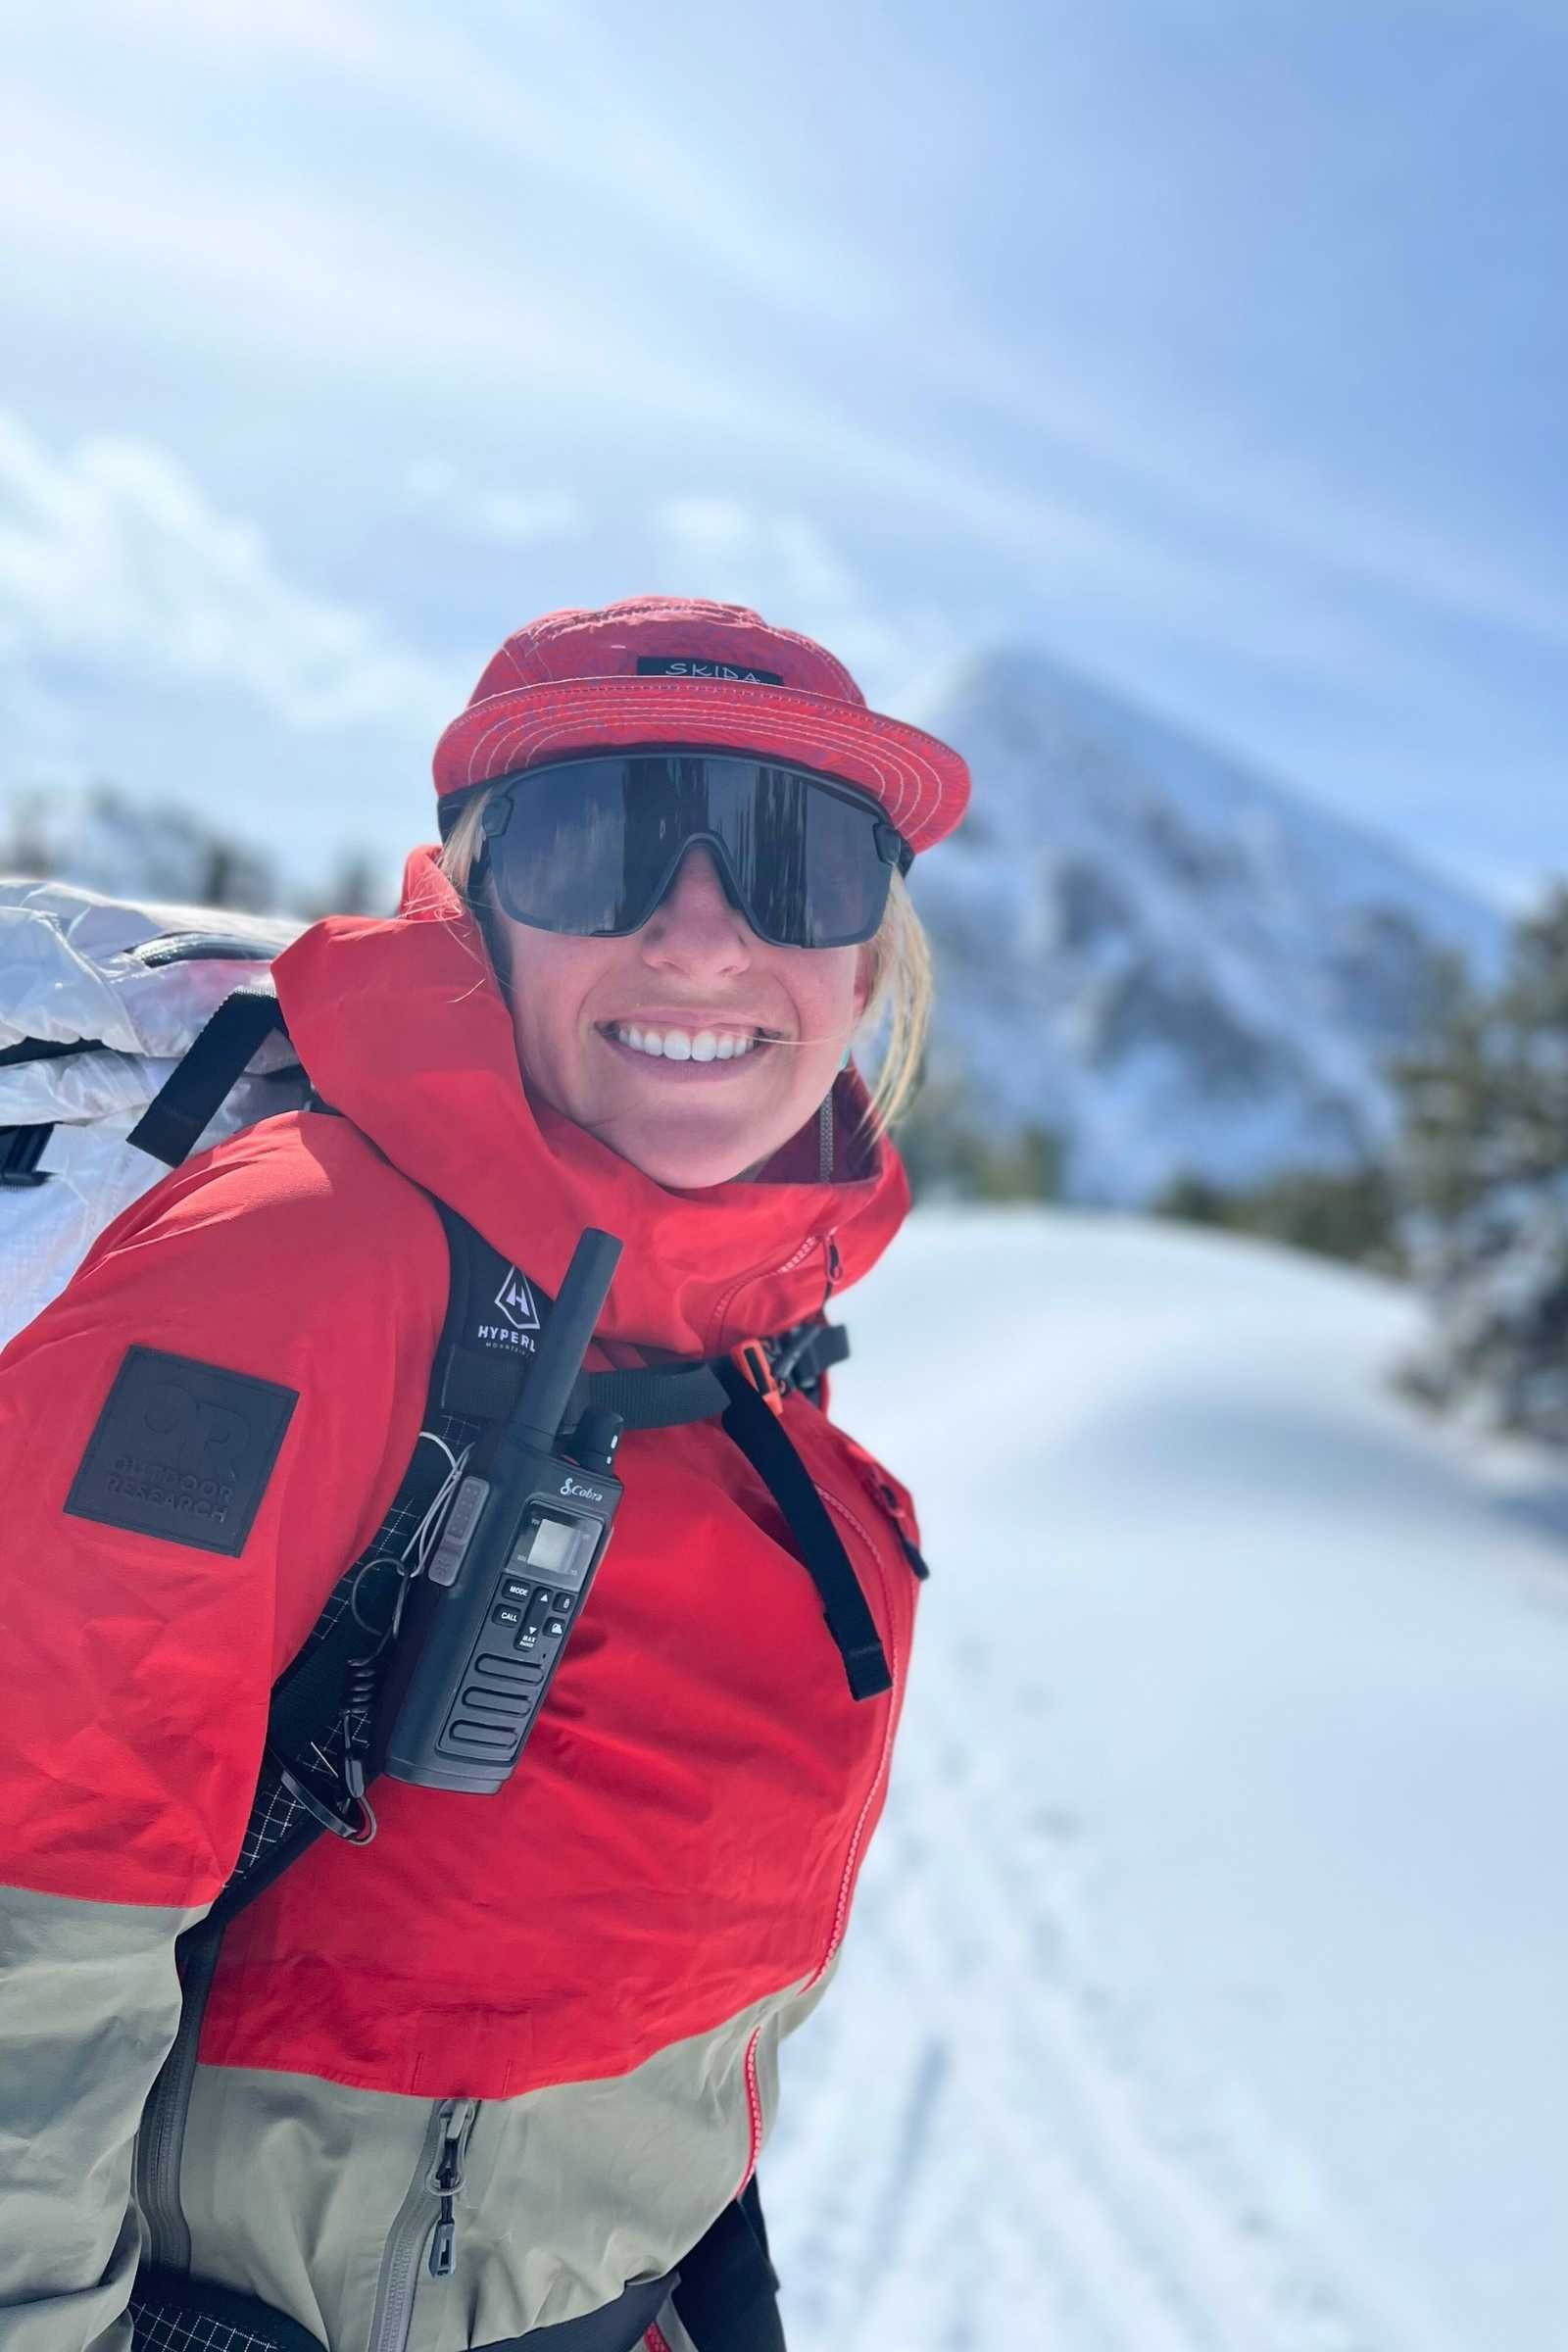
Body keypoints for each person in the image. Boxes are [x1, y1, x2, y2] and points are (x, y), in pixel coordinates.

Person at [0, 595, 970, 2352]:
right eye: (600, 843)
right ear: (475, 902)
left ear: (870, 957)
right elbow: (22, 1918)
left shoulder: (744, 1337)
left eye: (796, 863)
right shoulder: (300, 1269)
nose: (700, 932)